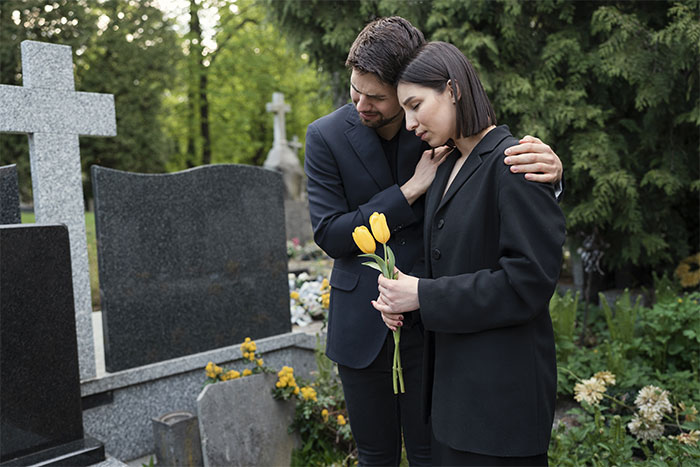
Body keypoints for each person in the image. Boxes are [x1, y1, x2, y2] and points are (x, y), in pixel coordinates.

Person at [305, 18, 563, 466]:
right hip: (367, 323)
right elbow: (329, 232)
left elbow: (497, 183)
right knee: (375, 456)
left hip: (443, 327)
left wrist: (552, 177)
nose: (363, 104)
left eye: (381, 97)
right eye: (355, 90)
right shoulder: (326, 136)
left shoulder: (441, 131)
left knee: (434, 454)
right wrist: (408, 192)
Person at [372, 41, 566, 466]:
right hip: (452, 406)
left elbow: (526, 284)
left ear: (453, 89)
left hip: (500, 407)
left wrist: (424, 294)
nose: (409, 123)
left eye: (416, 104)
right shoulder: (445, 167)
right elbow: (453, 265)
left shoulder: (517, 162)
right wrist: (406, 302)